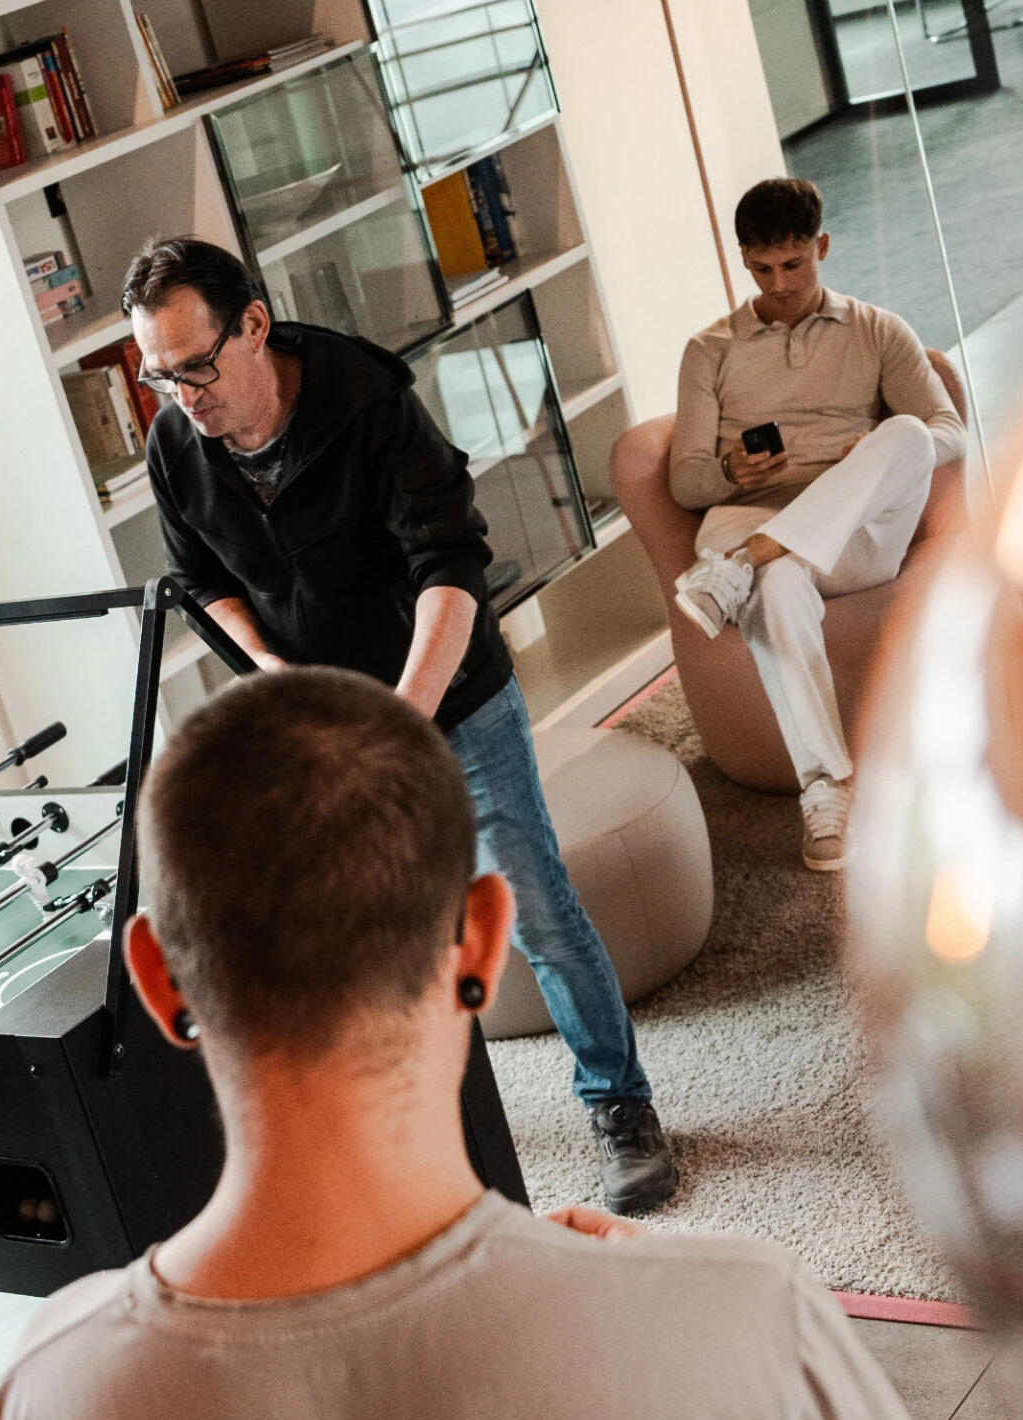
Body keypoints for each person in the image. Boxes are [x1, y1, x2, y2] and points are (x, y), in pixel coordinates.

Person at [0, 667, 992, 1420]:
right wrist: (667, 1303)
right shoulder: (752, 1327)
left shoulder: (48, 1403)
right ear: (480, 933)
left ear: (156, 980)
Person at [125, 236, 674, 1214]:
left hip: (449, 694)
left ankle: (619, 1102)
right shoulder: (176, 442)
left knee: (532, 900)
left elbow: (450, 565)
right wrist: (275, 672)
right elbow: (200, 581)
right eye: (158, 377)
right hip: (323, 712)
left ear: (252, 325)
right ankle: (412, 1120)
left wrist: (402, 719)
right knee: (364, 928)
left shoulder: (366, 402)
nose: (183, 396)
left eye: (196, 367)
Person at [668, 177, 965, 870]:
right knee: (779, 587)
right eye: (762, 269)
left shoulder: (878, 329)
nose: (779, 284)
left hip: (852, 535)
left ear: (821, 247)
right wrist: (731, 474)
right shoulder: (707, 350)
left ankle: (742, 565)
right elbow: (685, 480)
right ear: (744, 260)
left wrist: (868, 453)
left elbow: (946, 429)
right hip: (750, 519)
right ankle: (826, 790)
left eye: (794, 265)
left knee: (911, 438)